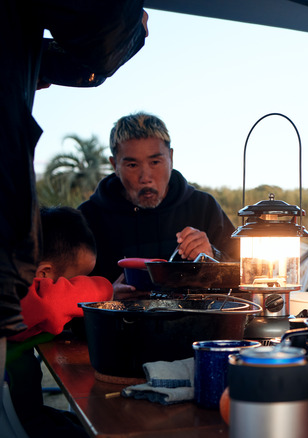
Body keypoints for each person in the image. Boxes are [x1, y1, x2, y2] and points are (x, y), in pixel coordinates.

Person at [0, 0, 147, 420]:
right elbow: (47, 307)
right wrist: (102, 289)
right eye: (132, 162)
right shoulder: (33, 290)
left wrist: (37, 64)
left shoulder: (200, 205)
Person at [78, 112, 239, 296]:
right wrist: (104, 296)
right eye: (132, 165)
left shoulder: (203, 207)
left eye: (155, 162)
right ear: (115, 165)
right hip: (115, 325)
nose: (145, 177)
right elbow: (60, 292)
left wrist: (213, 256)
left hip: (194, 324)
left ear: (171, 158)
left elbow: (244, 277)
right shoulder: (88, 218)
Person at [5, 206, 113, 438]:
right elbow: (51, 305)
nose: (77, 288)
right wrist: (107, 289)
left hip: (23, 409)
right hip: (13, 419)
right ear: (44, 273)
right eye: (75, 281)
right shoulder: (15, 294)